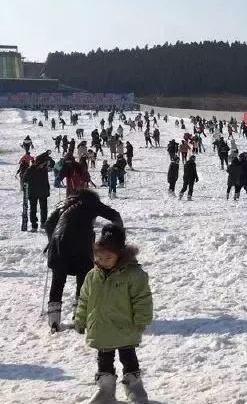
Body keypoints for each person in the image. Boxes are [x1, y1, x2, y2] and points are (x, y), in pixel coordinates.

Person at [74, 224, 153, 404]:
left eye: (108, 257)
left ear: (120, 254)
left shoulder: (134, 274)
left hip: (125, 327)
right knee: (104, 360)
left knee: (129, 358)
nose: (103, 260)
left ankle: (134, 386)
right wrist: (80, 319)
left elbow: (142, 299)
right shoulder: (92, 276)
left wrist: (142, 320)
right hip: (101, 328)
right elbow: (84, 299)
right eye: (99, 257)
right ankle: (106, 388)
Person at [44, 190, 122, 333]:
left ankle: (54, 321)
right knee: (83, 280)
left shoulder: (64, 204)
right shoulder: (91, 202)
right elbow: (114, 215)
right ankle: (80, 320)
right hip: (81, 244)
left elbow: (48, 224)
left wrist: (53, 240)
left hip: (58, 245)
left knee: (58, 281)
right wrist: (117, 237)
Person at [24, 152, 53, 232]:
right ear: (41, 161)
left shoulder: (44, 169)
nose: (47, 163)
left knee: (44, 209)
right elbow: (24, 180)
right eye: (45, 162)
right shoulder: (30, 169)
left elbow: (46, 180)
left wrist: (48, 189)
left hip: (43, 192)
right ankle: (34, 225)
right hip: (33, 193)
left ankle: (43, 223)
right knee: (33, 209)